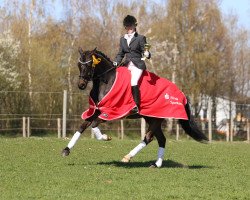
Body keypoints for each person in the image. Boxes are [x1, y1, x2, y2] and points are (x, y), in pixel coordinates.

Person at [113, 15, 151, 112]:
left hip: (137, 65)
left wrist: (147, 53)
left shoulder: (140, 38)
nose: (129, 28)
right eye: (127, 26)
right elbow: (121, 53)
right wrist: (116, 62)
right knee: (118, 80)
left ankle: (136, 105)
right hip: (126, 64)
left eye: (131, 26)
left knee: (133, 81)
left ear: (134, 26)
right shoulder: (122, 39)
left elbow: (145, 51)